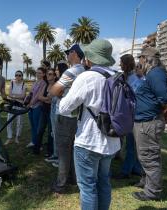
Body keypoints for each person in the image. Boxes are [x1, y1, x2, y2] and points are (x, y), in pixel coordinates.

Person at [59, 39, 121, 210]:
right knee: (103, 183)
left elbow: (64, 108)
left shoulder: (87, 77)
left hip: (88, 141)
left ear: (90, 57)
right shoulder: (117, 76)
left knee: (87, 188)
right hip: (112, 141)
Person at [132, 47, 167, 201]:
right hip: (144, 122)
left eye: (141, 58)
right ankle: (146, 182)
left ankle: (153, 192)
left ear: (147, 58)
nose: (139, 61)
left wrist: (164, 110)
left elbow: (165, 97)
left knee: (149, 157)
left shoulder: (156, 73)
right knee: (145, 156)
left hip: (149, 122)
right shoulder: (151, 74)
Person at [49, 44, 85, 194]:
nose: (67, 55)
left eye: (68, 53)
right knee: (72, 148)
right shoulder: (84, 70)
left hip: (65, 115)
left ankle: (61, 184)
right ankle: (73, 178)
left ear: (74, 54)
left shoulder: (71, 71)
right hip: (77, 116)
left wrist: (57, 91)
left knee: (63, 150)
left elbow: (54, 91)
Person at [113, 55, 142, 180]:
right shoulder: (129, 77)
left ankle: (126, 171)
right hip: (129, 114)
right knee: (133, 145)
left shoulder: (134, 78)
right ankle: (136, 169)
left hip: (133, 115)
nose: (120, 65)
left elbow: (133, 97)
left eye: (121, 63)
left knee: (131, 144)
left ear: (127, 63)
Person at [46, 61, 68, 164]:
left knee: (57, 134)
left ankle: (59, 157)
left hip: (58, 109)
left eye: (57, 70)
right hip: (54, 108)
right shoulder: (60, 81)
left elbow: (54, 94)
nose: (55, 71)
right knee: (54, 133)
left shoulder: (64, 81)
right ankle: (56, 155)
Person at [33, 68, 56, 155]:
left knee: (50, 131)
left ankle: (50, 151)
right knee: (40, 130)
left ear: (54, 76)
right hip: (44, 110)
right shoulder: (46, 85)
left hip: (51, 111)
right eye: (47, 74)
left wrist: (45, 99)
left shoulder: (56, 86)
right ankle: (36, 149)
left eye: (50, 74)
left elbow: (52, 100)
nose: (48, 75)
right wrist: (46, 99)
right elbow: (39, 97)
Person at [26, 67, 47, 148]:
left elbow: (38, 96)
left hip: (38, 107)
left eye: (40, 73)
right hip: (31, 107)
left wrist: (30, 103)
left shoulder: (43, 83)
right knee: (32, 125)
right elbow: (31, 93)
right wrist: (27, 101)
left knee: (37, 126)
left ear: (43, 74)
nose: (38, 74)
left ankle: (38, 144)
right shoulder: (35, 82)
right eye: (37, 72)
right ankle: (34, 141)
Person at [5, 70, 27, 145]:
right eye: (16, 75)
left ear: (22, 77)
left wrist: (13, 96)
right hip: (12, 105)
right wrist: (17, 97)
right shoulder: (12, 83)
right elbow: (9, 94)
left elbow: (23, 96)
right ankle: (9, 137)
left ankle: (17, 137)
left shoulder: (24, 84)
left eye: (19, 75)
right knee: (9, 121)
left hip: (20, 105)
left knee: (19, 122)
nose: (17, 77)